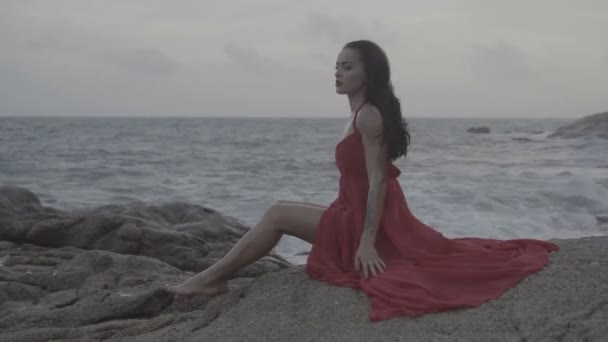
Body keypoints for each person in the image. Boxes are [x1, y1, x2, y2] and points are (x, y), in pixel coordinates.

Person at [170, 40, 559, 322]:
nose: (338, 72)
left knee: (276, 214)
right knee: (282, 207)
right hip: (351, 212)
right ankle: (209, 278)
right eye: (337, 66)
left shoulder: (368, 116)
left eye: (348, 66)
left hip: (367, 225)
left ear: (368, 73)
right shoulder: (358, 113)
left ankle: (209, 280)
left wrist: (368, 242)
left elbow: (377, 182)